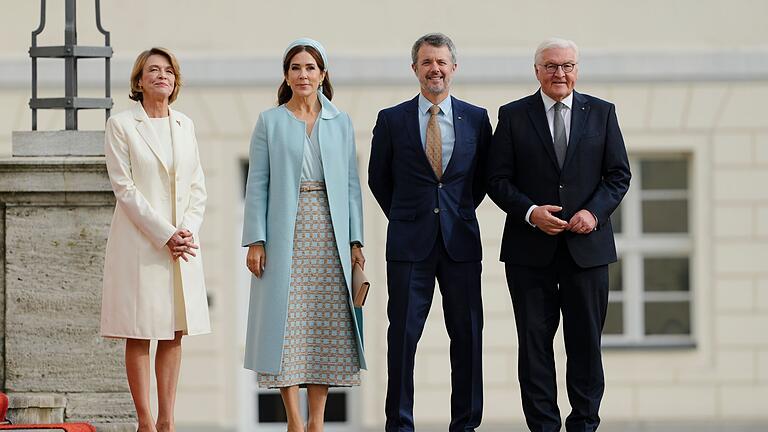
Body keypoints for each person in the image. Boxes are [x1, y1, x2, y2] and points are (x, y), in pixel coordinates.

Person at [487, 37, 631, 431]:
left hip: (588, 251)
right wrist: (531, 212)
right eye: (551, 66)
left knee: (585, 346)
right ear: (536, 71)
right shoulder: (514, 115)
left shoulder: (602, 113)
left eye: (567, 66)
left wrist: (594, 212)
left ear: (577, 70)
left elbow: (619, 175)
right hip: (529, 254)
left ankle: (584, 424)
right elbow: (496, 180)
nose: (559, 73)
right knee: (534, 349)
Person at [241, 38, 366, 432]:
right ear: (286, 75)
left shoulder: (340, 121)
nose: (303, 74)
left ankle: (317, 422)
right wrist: (256, 240)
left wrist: (356, 242)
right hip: (284, 231)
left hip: (330, 231)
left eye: (310, 67)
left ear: (323, 75)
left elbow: (350, 185)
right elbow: (257, 183)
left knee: (324, 325)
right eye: (296, 67)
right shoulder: (270, 121)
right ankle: (294, 421)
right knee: (286, 326)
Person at [368, 33, 491, 432]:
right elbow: (378, 179)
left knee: (469, 337)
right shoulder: (392, 119)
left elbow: (483, 179)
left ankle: (466, 424)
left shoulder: (476, 118)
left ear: (453, 68)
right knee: (402, 339)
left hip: (461, 243)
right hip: (408, 246)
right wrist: (407, 216)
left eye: (441, 62)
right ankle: (399, 425)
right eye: (426, 62)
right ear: (415, 69)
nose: (434, 69)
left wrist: (455, 213)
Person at [101, 47, 210, 432]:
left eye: (168, 70)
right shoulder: (122, 125)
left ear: (175, 80)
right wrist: (165, 234)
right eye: (153, 70)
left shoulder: (185, 125)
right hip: (140, 243)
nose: (162, 75)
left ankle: (167, 419)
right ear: (139, 81)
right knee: (141, 329)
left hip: (182, 244)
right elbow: (124, 188)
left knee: (174, 328)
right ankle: (145, 421)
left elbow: (197, 185)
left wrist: (185, 233)